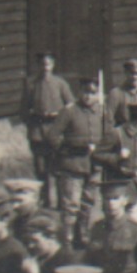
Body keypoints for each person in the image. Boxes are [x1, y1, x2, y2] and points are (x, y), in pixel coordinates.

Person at [46, 77, 112, 249]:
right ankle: (67, 241)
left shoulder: (103, 111)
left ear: (98, 94)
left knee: (88, 204)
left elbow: (110, 136)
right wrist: (69, 149)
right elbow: (53, 136)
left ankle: (82, 237)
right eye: (85, 92)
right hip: (72, 165)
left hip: (95, 166)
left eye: (93, 93)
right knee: (70, 206)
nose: (88, 97)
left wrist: (103, 151)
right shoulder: (69, 111)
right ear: (79, 92)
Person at [20, 52, 74, 207]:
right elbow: (23, 110)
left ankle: (61, 202)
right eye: (42, 64)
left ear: (53, 65)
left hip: (56, 131)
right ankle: (45, 202)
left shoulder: (60, 84)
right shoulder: (31, 84)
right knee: (41, 169)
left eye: (48, 64)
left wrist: (60, 118)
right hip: (38, 131)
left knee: (58, 168)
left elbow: (70, 107)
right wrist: (34, 118)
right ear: (38, 66)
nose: (45, 68)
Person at [107, 58, 137, 129]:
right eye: (131, 73)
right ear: (125, 73)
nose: (134, 77)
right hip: (122, 134)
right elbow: (109, 120)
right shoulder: (116, 93)